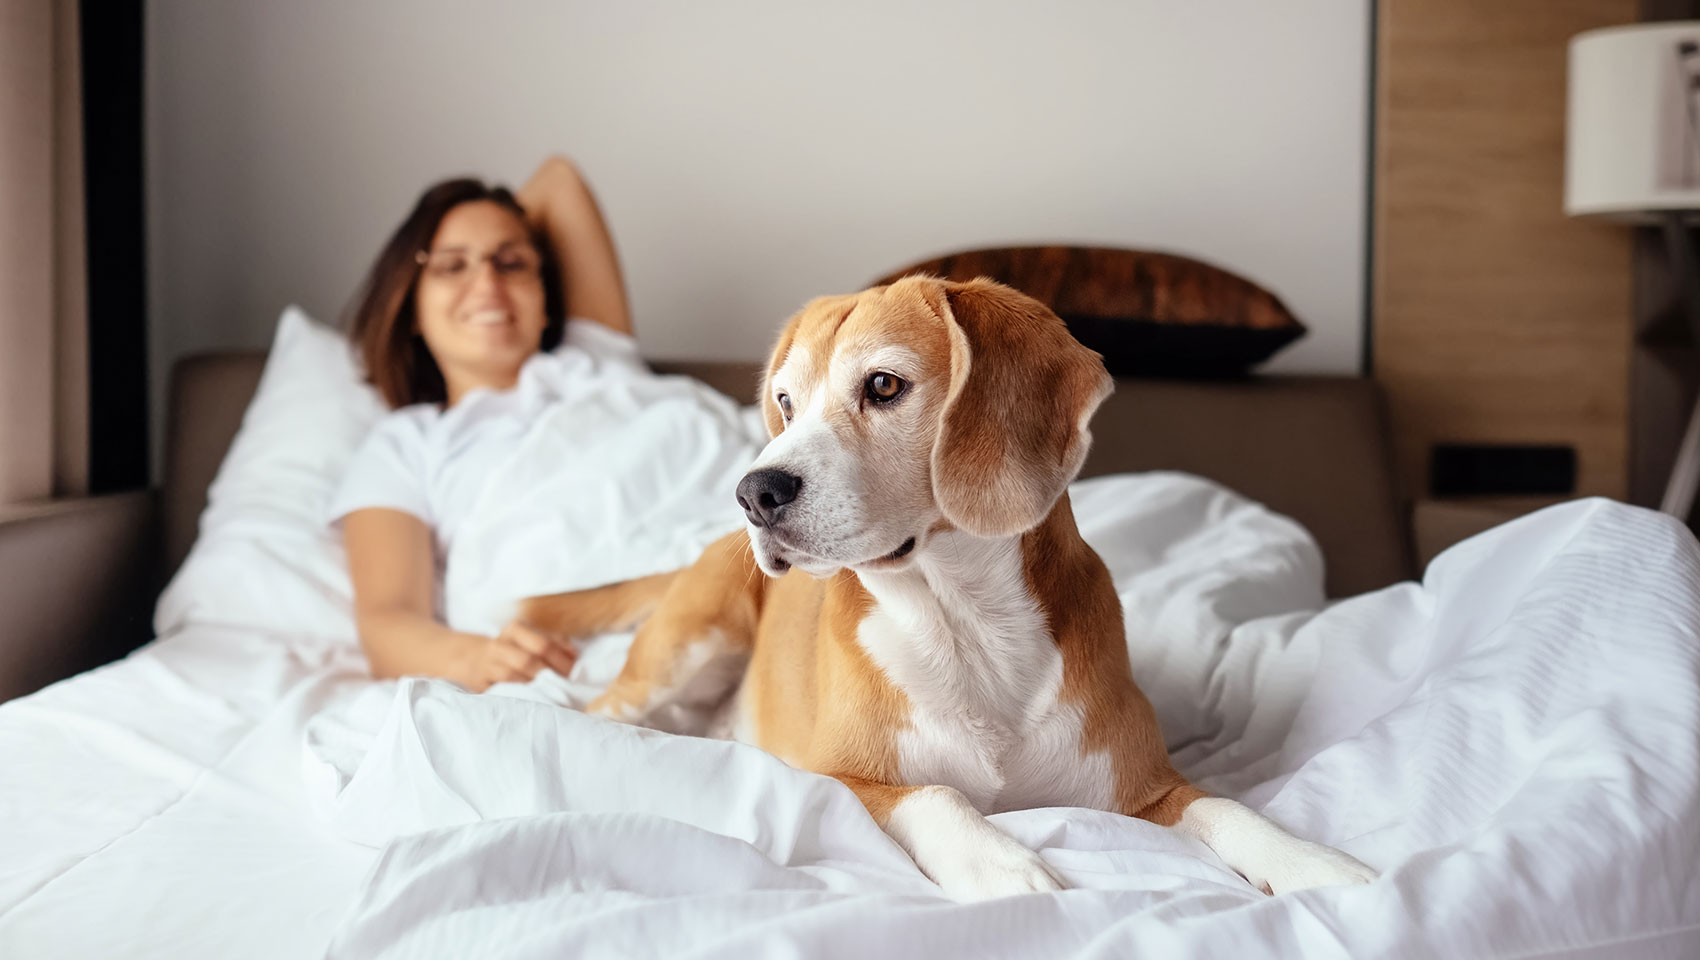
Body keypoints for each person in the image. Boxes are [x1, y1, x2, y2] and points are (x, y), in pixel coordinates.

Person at [332, 156, 632, 691]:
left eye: (511, 263)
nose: (487, 281)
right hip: (579, 646)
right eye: (452, 267)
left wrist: (482, 227)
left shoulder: (599, 362)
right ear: (413, 308)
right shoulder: (406, 444)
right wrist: (478, 660)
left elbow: (559, 180)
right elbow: (387, 621)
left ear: (545, 300)